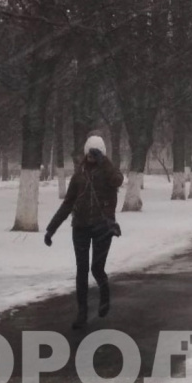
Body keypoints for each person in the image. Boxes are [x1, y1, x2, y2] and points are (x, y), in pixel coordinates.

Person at [45, 135, 123, 329]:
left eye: (95, 153)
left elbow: (118, 180)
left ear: (101, 154)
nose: (91, 157)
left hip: (103, 227)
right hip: (80, 227)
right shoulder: (79, 174)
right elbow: (68, 202)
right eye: (89, 153)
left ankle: (104, 295)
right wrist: (51, 229)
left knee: (96, 268)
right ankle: (82, 313)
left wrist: (104, 162)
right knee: (82, 270)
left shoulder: (107, 172)